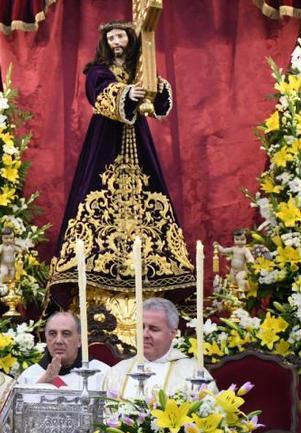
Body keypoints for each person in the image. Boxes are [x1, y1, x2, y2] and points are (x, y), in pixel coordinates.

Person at [47, 20, 194, 310]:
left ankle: (152, 280)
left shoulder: (138, 68)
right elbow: (98, 92)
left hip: (137, 139)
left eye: (121, 36)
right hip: (105, 139)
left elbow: (157, 99)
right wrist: (127, 94)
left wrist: (152, 86)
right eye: (111, 37)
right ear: (105, 41)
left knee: (148, 194)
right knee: (96, 194)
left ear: (129, 39)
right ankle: (94, 280)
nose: (116, 42)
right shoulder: (99, 70)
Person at [103, 298, 215, 399]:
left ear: (173, 333)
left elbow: (208, 414)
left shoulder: (193, 373)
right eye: (141, 327)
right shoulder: (117, 372)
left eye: (154, 329)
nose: (144, 334)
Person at [18, 311, 109, 390]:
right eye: (52, 333)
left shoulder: (102, 374)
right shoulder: (29, 376)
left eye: (66, 334)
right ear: (46, 338)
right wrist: (43, 383)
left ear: (80, 340)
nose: (58, 341)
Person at [214, 229, 254, 293]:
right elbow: (224, 250)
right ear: (234, 239)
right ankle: (235, 295)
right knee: (232, 282)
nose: (239, 241)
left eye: (242, 239)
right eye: (237, 239)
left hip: (242, 270)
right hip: (233, 270)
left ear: (247, 240)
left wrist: (250, 261)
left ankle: (242, 292)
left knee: (239, 278)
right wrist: (218, 246)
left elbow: (249, 257)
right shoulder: (234, 249)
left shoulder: (245, 250)